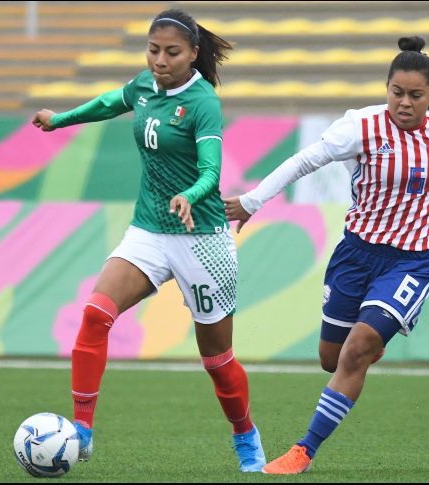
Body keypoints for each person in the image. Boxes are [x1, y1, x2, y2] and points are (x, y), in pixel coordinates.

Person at [31, 9, 266, 473]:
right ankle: (81, 431)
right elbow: (107, 103)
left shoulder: (203, 103)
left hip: (202, 240)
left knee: (218, 362)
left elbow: (212, 173)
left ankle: (245, 435)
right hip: (149, 230)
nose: (160, 60)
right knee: (95, 315)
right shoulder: (144, 86)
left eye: (171, 52)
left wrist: (190, 194)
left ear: (194, 54)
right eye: (153, 50)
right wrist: (60, 119)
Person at [224, 36, 429, 474]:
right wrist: (253, 201)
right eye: (397, 93)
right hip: (356, 253)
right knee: (331, 358)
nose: (404, 103)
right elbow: (303, 161)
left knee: (356, 352)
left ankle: (302, 451)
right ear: (386, 88)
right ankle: (369, 342)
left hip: (413, 261)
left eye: (416, 95)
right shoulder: (360, 127)